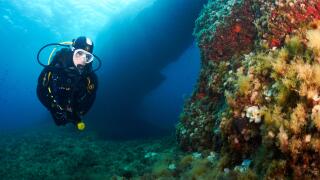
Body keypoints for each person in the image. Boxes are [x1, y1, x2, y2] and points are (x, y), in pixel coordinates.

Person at [37, 36, 99, 130]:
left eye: (87, 57)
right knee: (59, 122)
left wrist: (81, 111)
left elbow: (92, 95)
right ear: (72, 51)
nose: (83, 60)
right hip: (56, 103)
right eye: (79, 53)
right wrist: (52, 108)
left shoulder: (90, 76)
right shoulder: (56, 66)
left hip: (75, 103)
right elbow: (40, 90)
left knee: (74, 120)